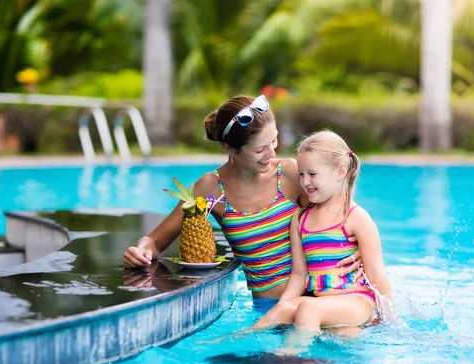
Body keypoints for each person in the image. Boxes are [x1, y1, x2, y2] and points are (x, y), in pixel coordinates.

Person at [123, 95, 364, 306]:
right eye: (260, 150)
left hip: (317, 302)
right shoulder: (211, 188)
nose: (272, 154)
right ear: (230, 148)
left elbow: (341, 218)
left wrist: (360, 252)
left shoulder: (291, 175)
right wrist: (141, 250)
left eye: (274, 141)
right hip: (266, 309)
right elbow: (155, 239)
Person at [251, 131, 394, 342]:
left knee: (309, 309)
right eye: (301, 174)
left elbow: (376, 274)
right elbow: (300, 274)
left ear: (341, 171)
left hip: (357, 301)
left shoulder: (356, 218)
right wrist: (285, 305)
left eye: (312, 174)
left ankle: (290, 358)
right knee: (284, 310)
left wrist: (391, 320)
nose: (305, 181)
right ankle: (235, 342)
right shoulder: (300, 220)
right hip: (323, 305)